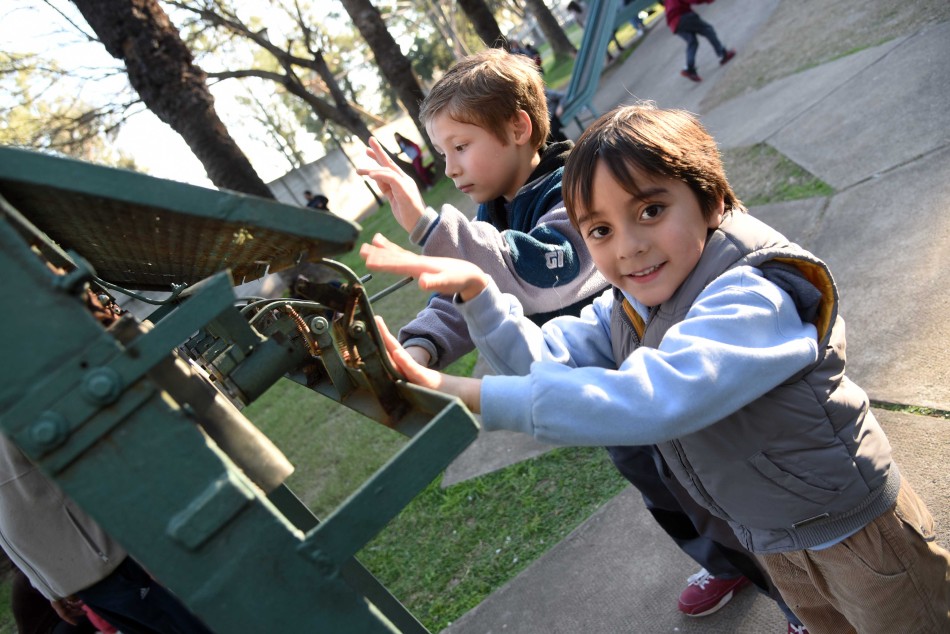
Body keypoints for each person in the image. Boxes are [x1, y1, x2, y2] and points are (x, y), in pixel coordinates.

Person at [360, 103, 950, 634]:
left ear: (712, 198)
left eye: (651, 209)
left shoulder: (752, 295)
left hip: (857, 535)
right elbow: (544, 360)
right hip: (771, 538)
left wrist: (465, 392)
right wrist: (481, 297)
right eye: (600, 230)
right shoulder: (630, 306)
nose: (629, 246)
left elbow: (649, 400)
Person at [358, 51, 804, 630]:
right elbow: (463, 290)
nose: (451, 166)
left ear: (519, 127)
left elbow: (542, 273)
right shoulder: (487, 216)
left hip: (649, 371)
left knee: (718, 494)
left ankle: (789, 597)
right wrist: (418, 347)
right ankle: (723, 564)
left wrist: (428, 228)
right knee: (660, 491)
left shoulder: (577, 192)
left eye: (461, 147)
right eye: (443, 154)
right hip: (583, 381)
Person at [0, 434, 215, 634]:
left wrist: (139, 543)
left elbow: (84, 459)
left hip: (116, 558)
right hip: (81, 582)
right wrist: (46, 585)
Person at [663, 0, 735, 82]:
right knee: (708, 29)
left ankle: (689, 68)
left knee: (692, 42)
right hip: (682, 16)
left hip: (673, 24)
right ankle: (723, 53)